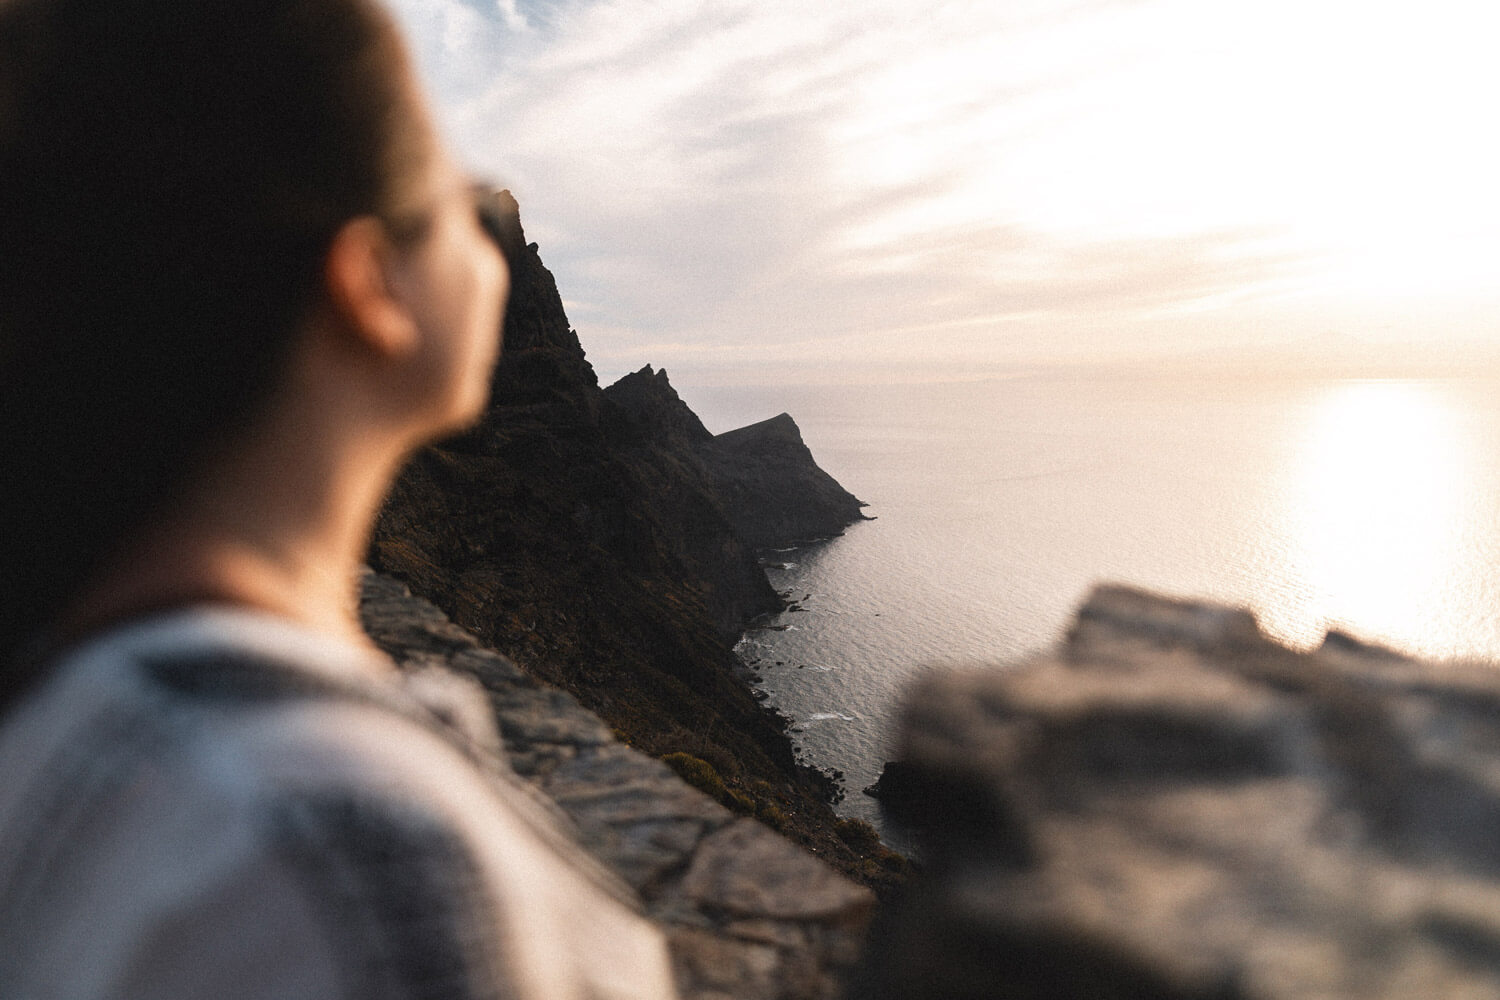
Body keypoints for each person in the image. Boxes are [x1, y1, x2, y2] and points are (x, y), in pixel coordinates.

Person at [0, 0, 678, 995]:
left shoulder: (65, 715)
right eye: (456, 190)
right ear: (368, 285)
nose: (491, 211)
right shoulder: (363, 867)